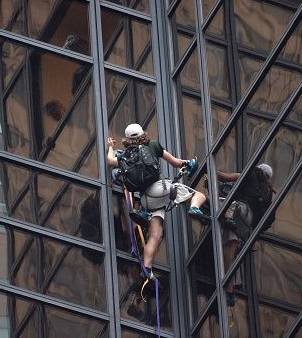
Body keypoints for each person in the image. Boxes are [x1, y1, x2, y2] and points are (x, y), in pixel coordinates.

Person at [107, 123, 207, 280]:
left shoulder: (124, 156)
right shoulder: (153, 145)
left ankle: (146, 268)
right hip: (160, 189)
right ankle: (194, 208)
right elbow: (176, 163)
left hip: (146, 201)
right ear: (142, 133)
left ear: (127, 139)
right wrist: (190, 163)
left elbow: (110, 161)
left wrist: (110, 147)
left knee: (156, 235)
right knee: (199, 196)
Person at [218, 163, 274, 306]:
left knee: (209, 199)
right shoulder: (267, 191)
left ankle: (228, 216)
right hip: (248, 222)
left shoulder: (251, 174)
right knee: (234, 248)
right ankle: (233, 287)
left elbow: (226, 177)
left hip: (239, 210)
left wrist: (208, 170)